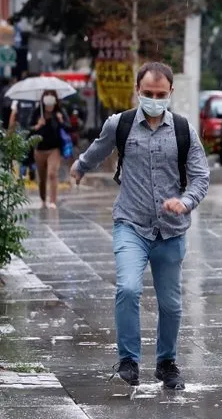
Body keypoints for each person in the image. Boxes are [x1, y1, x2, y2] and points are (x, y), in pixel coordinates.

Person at [70, 62, 210, 389]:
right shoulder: (120, 124)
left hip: (171, 230)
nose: (154, 99)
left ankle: (166, 362)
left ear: (170, 94)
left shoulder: (183, 130)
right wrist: (80, 166)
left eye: (161, 94)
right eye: (148, 93)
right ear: (138, 90)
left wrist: (185, 201)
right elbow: (99, 148)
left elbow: (201, 177)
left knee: (171, 304)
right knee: (128, 288)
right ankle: (129, 359)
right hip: (130, 223)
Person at [27, 90, 70, 208]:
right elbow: (28, 129)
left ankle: (53, 201)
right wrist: (37, 125)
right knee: (42, 177)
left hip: (54, 149)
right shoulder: (37, 112)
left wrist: (61, 121)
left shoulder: (59, 112)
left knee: (52, 174)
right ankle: (43, 199)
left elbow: (69, 127)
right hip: (39, 149)